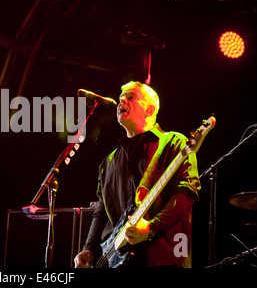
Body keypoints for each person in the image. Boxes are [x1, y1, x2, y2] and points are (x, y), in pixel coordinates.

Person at [74, 81, 200, 268]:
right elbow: (101, 212)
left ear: (149, 110)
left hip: (161, 256)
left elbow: (187, 193)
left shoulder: (174, 142)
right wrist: (89, 248)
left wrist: (151, 228)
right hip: (115, 259)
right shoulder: (107, 163)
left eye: (130, 97)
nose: (121, 101)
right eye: (120, 99)